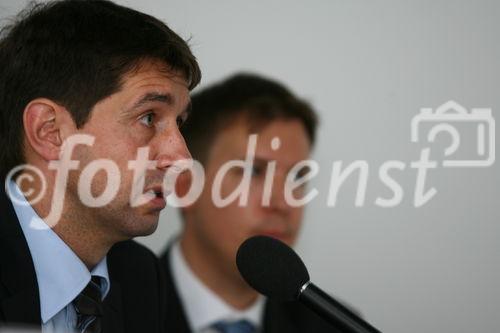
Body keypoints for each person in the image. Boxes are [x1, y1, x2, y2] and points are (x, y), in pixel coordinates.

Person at [0, 0, 201, 332]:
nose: (180, 156)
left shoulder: (141, 276)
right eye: (149, 117)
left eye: (179, 122)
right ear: (49, 132)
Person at [160, 73, 341, 332]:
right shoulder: (111, 312)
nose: (282, 202)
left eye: (297, 176)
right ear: (185, 186)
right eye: (254, 171)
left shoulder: (331, 326)